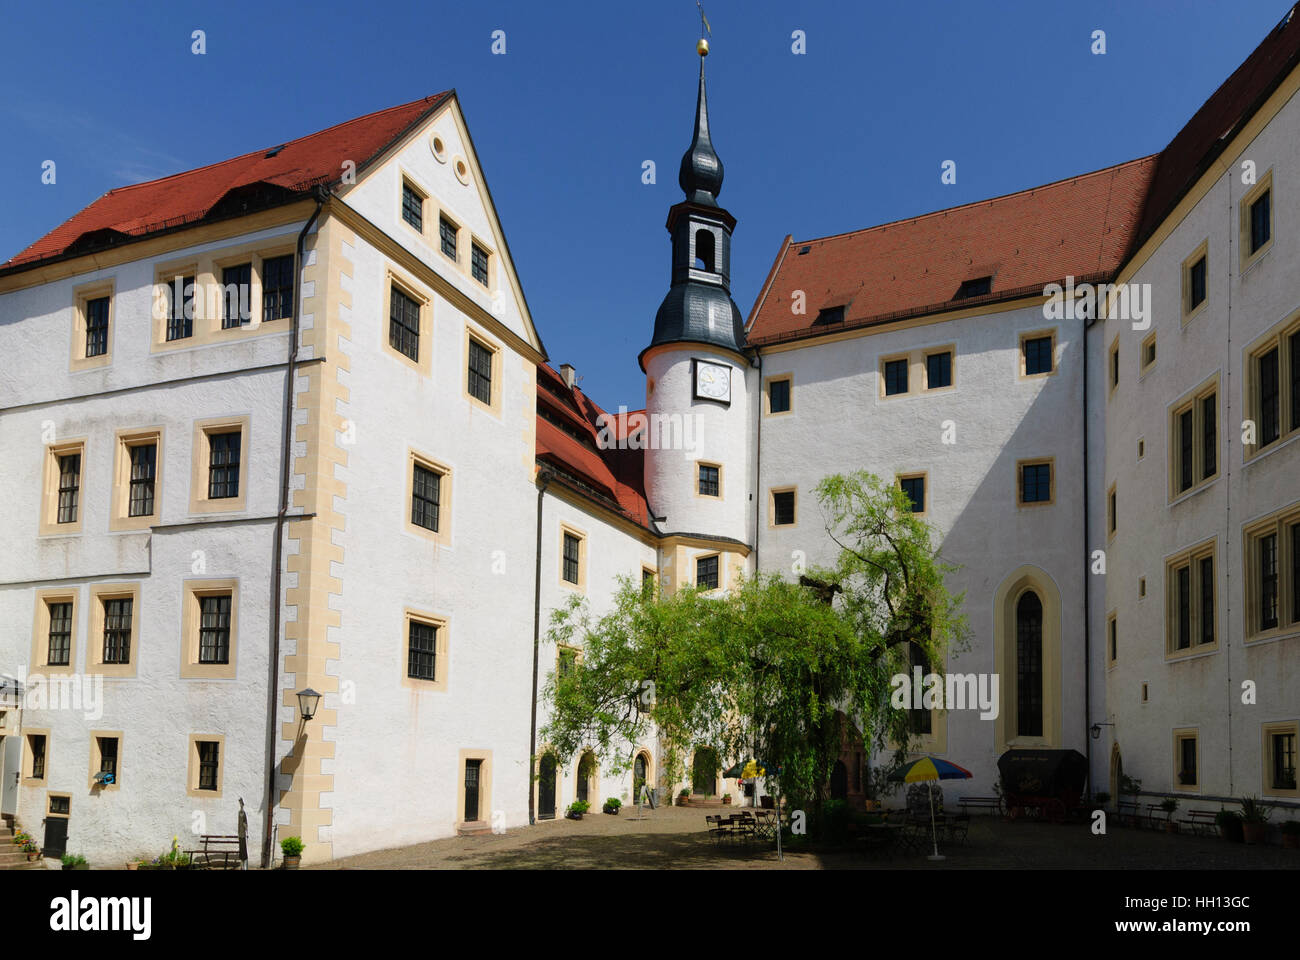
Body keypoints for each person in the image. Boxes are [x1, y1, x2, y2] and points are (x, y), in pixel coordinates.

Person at [237, 797, 248, 871]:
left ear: (243, 805)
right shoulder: (239, 813)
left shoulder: (243, 813)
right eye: (240, 804)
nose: (240, 805)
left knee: (244, 849)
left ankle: (245, 866)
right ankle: (242, 865)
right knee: (241, 849)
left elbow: (246, 823)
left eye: (241, 804)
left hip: (243, 834)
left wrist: (245, 827)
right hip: (240, 834)